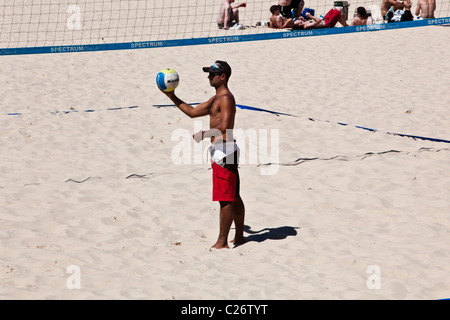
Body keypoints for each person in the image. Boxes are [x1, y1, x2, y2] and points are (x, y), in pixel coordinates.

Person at [159, 61, 246, 250]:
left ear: (222, 77)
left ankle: (222, 242)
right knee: (234, 195)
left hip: (225, 150)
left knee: (226, 198)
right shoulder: (215, 99)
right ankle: (239, 235)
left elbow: (225, 126)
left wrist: (204, 134)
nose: (208, 77)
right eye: (209, 73)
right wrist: (172, 96)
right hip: (224, 149)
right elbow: (191, 112)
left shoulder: (225, 98)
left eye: (212, 74)